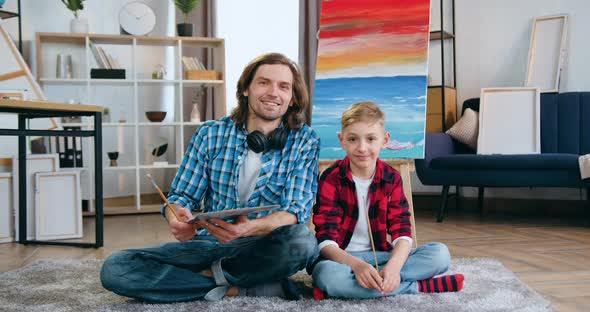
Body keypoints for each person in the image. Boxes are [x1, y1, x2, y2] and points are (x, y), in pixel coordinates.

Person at [100, 52, 320, 302]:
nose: (273, 92)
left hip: (262, 245)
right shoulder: (209, 133)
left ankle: (201, 281)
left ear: (292, 98)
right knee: (116, 268)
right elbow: (181, 197)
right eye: (263, 82)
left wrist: (248, 228)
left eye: (283, 86)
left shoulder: (305, 140)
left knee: (303, 242)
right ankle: (241, 286)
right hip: (209, 244)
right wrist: (176, 216)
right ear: (246, 89)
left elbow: (295, 211)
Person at [311, 101, 463, 300]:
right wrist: (357, 266)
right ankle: (417, 286)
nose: (362, 148)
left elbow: (402, 232)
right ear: (342, 140)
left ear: (384, 140)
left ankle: (356, 287)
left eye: (371, 139)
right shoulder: (331, 178)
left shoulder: (391, 178)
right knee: (326, 275)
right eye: (353, 139)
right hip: (343, 260)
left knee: (440, 254)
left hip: (382, 256)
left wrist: (393, 267)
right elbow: (326, 240)